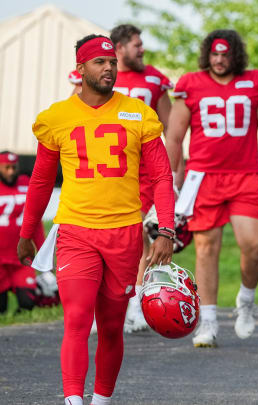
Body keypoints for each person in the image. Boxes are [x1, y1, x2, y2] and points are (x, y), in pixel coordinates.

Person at [17, 34, 174, 405]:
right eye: (100, 62)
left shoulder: (139, 114)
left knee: (111, 327)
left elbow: (162, 176)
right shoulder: (57, 117)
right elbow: (40, 180)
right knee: (76, 318)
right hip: (76, 231)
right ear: (80, 68)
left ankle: (101, 401)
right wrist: (27, 231)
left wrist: (165, 229)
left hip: (124, 233)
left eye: (113, 62)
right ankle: (73, 400)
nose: (109, 68)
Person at [165, 29, 258, 348]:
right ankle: (209, 320)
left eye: (225, 54)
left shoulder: (256, 82)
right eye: (215, 54)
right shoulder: (191, 84)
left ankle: (245, 299)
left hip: (245, 175)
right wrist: (169, 182)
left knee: (254, 246)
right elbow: (174, 138)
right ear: (208, 54)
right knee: (206, 248)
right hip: (203, 177)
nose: (219, 60)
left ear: (236, 56)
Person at [105, 23, 176, 333]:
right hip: (105, 170)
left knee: (135, 236)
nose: (142, 49)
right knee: (103, 236)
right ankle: (104, 305)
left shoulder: (154, 79)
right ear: (119, 48)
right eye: (136, 44)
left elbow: (171, 129)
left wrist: (176, 173)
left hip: (143, 172)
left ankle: (135, 304)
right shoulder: (100, 75)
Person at [0, 151, 46, 314]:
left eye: (14, 167)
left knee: (28, 304)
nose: (11, 171)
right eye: (6, 167)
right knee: (1, 309)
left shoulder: (26, 183)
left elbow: (36, 222)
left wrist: (43, 253)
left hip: (21, 256)